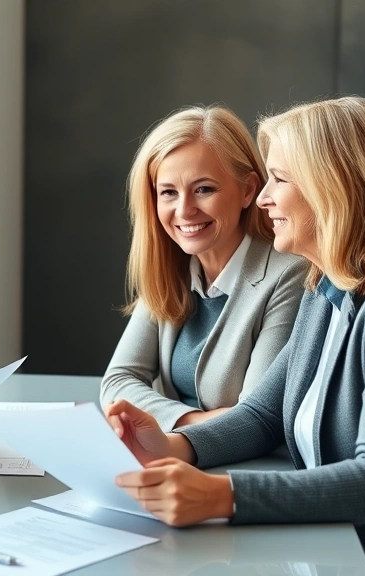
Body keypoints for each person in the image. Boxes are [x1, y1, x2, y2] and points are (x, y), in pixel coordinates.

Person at [105, 97, 365, 572]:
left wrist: (221, 495)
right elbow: (262, 415)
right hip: (330, 546)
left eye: (279, 179)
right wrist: (175, 446)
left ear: (333, 186)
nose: (262, 199)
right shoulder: (331, 280)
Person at [101, 106, 306, 430]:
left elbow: (254, 418)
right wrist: (193, 421)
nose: (184, 210)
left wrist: (163, 428)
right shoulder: (170, 266)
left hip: (243, 460)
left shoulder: (289, 275)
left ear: (248, 190)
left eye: (204, 189)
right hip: (172, 450)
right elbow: (117, 382)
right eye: (168, 192)